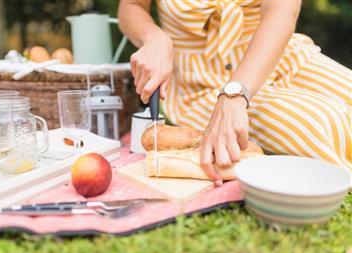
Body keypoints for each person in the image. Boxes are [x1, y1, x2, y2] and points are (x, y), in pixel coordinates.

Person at [118, 0, 351, 185]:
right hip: (202, 86)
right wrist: (154, 36)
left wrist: (235, 94)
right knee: (325, 122)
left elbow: (281, 11)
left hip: (281, 58)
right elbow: (131, 7)